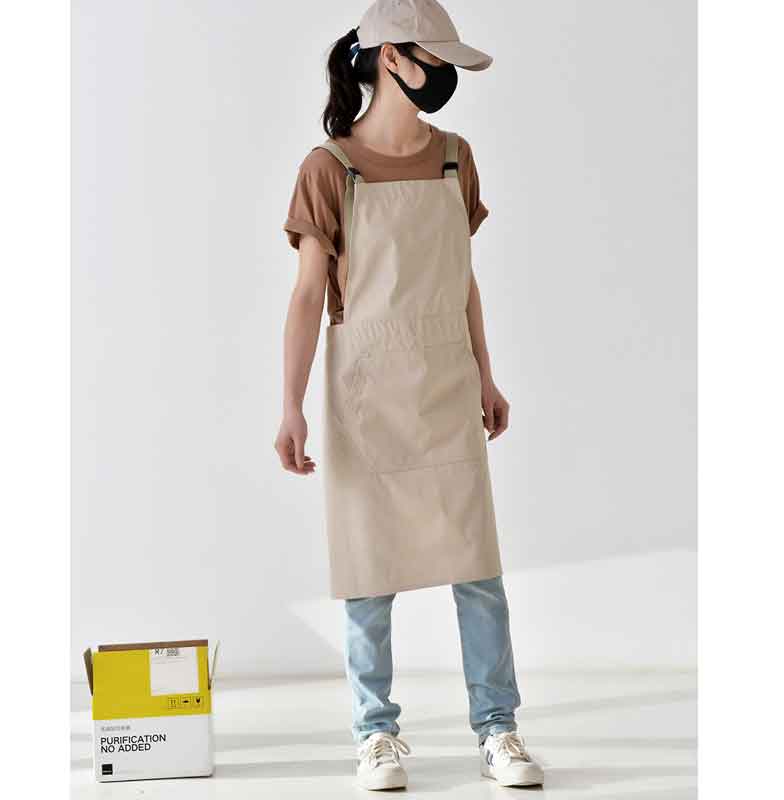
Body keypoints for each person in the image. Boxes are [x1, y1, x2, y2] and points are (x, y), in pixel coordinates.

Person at [275, 0, 543, 790]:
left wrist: (486, 374)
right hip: (365, 386)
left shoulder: (457, 158)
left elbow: (463, 279)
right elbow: (306, 294)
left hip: (447, 378)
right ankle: (376, 734)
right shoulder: (330, 167)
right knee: (368, 570)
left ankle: (498, 728)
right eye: (435, 58)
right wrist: (290, 406)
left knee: (478, 569)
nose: (445, 74)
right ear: (391, 56)